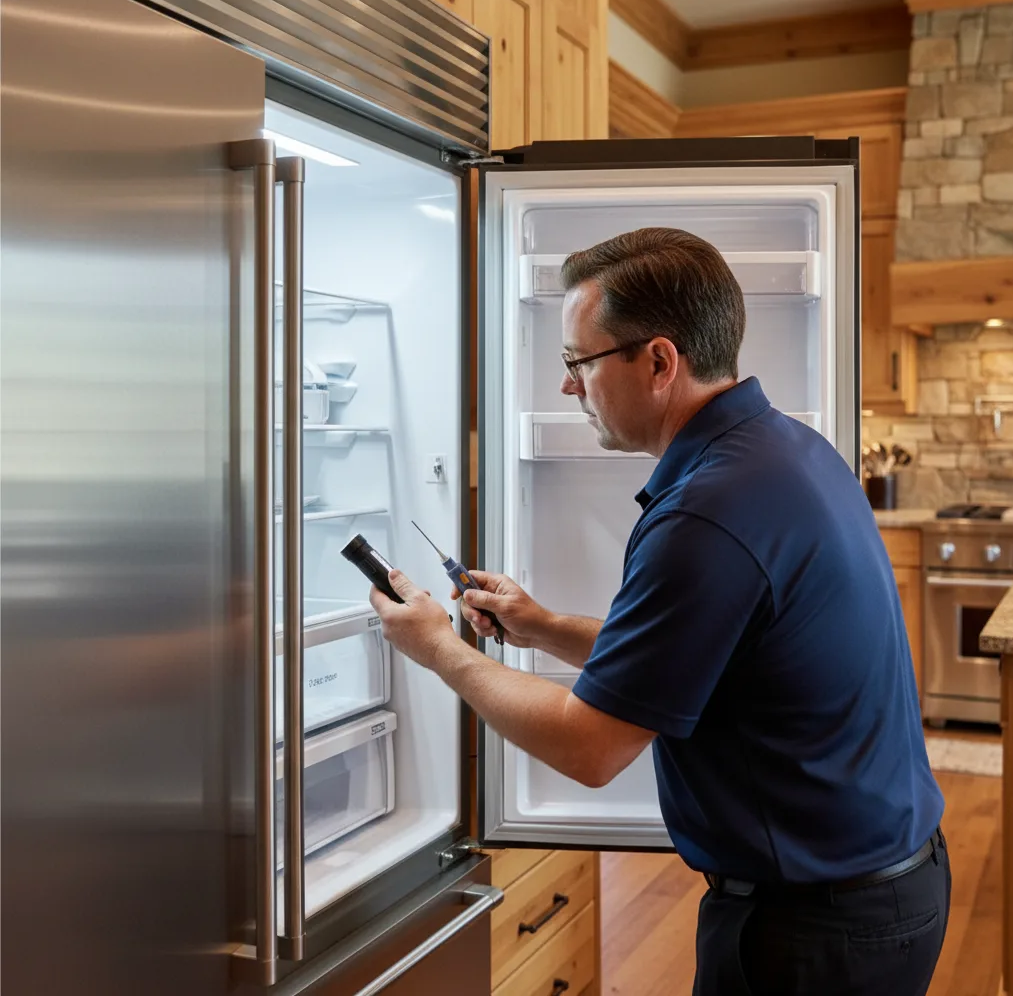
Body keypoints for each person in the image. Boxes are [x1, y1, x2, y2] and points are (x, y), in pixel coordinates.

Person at [369, 227, 950, 996]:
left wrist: (440, 648)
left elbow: (592, 747)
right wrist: (538, 624)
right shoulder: (785, 451)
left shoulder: (706, 514)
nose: (570, 387)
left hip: (817, 929)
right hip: (879, 885)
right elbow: (702, 657)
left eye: (579, 362)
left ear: (659, 361)